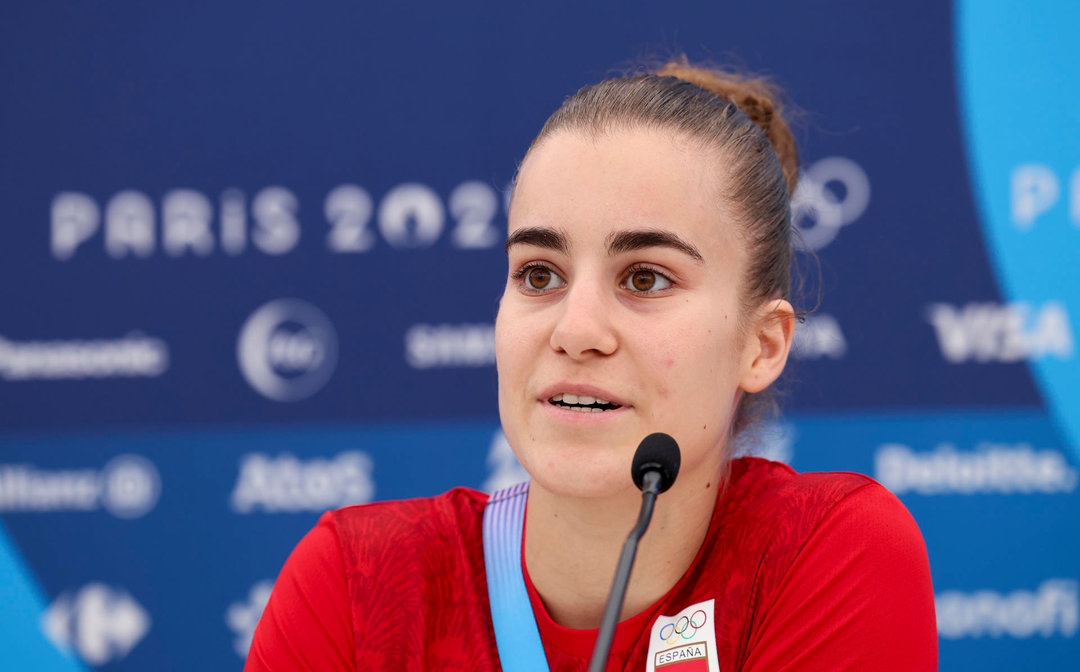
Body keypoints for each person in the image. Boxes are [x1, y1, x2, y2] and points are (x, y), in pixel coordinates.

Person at [245, 60, 938, 671]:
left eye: (644, 279)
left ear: (762, 345)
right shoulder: (354, 583)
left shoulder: (825, 553)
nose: (575, 332)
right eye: (540, 275)